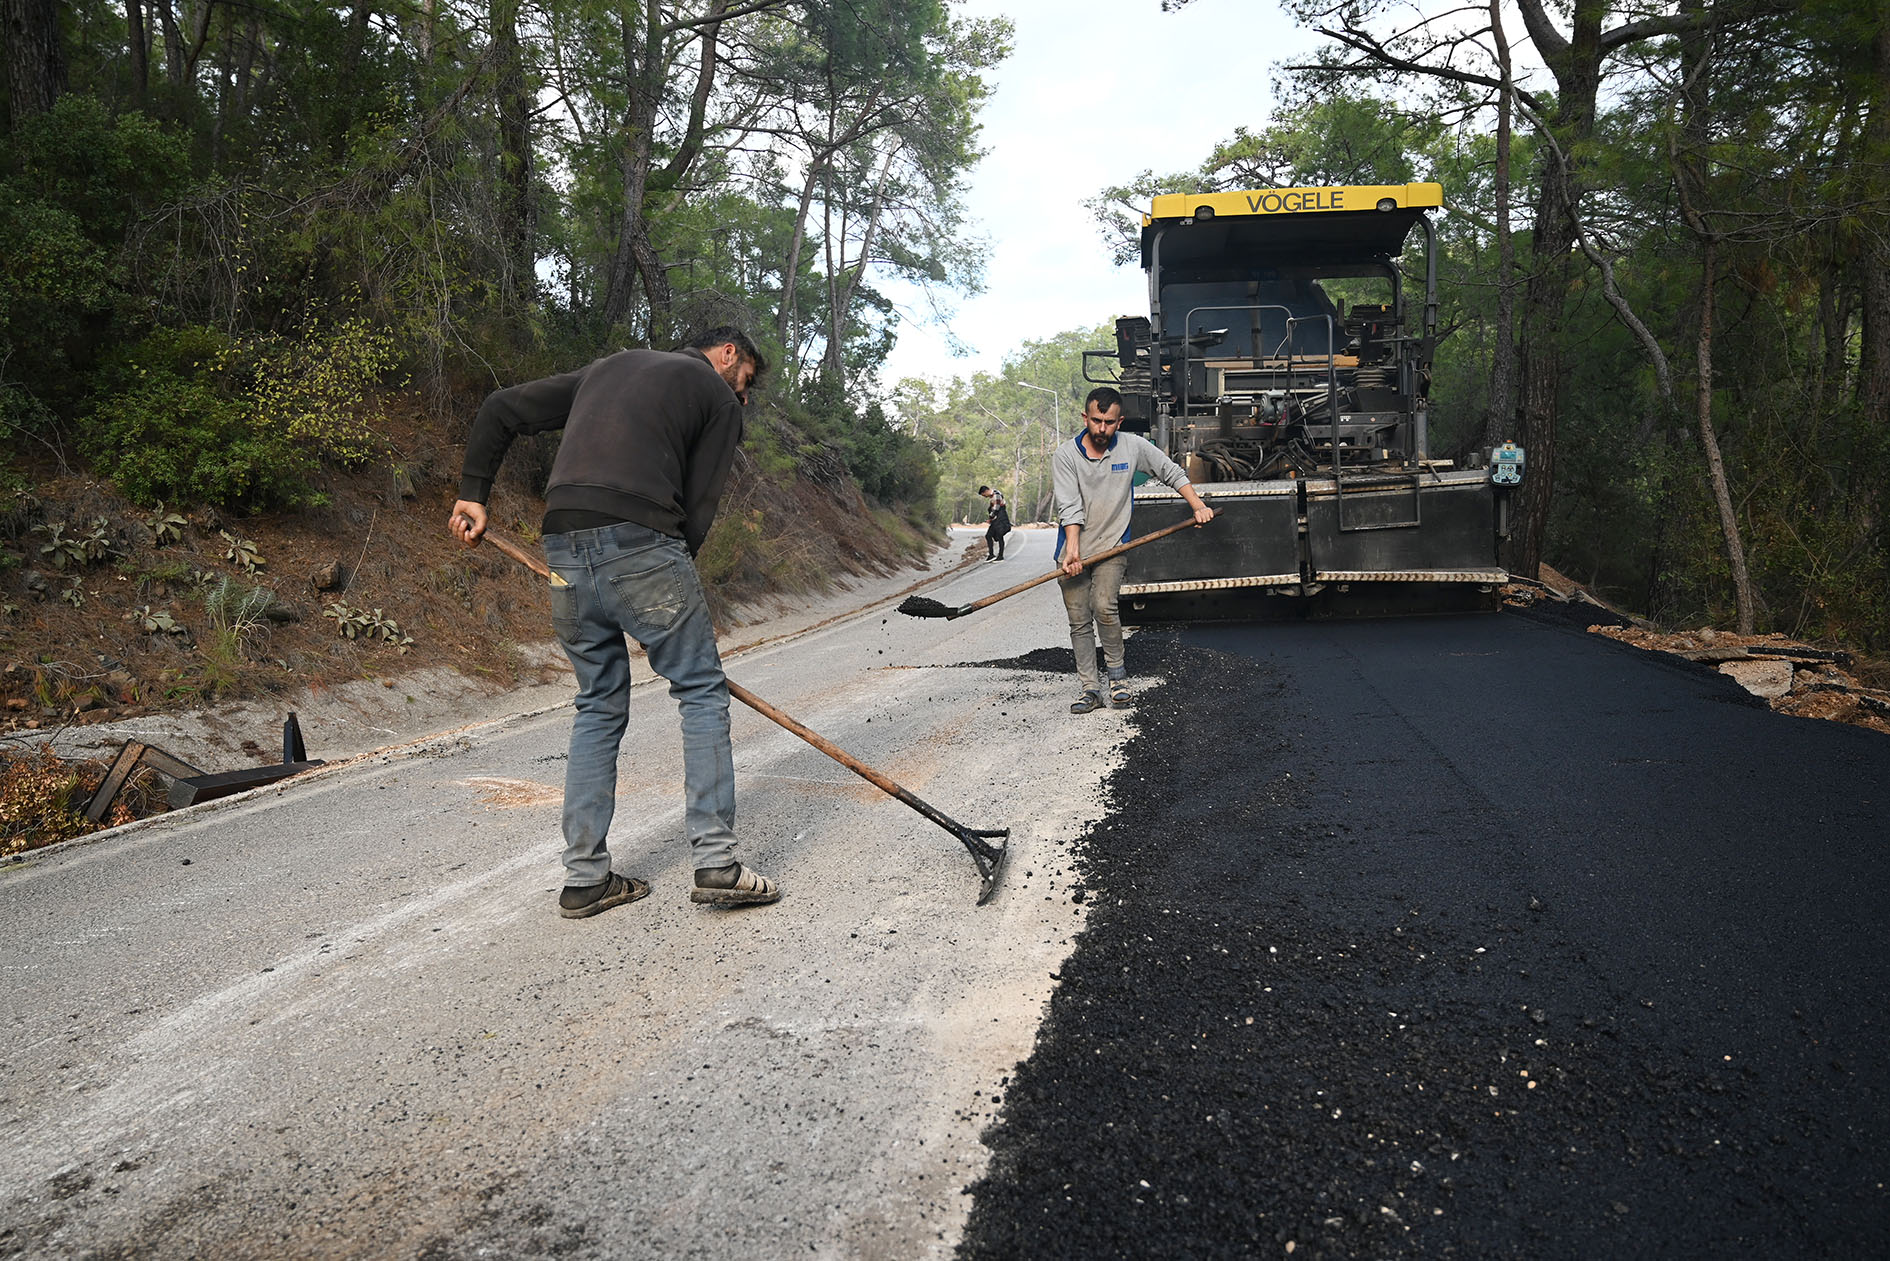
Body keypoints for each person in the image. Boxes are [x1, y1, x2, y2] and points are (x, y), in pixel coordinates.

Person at [449, 327, 783, 918]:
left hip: (563, 546)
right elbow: (698, 506)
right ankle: (716, 863)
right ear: (728, 355)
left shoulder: (608, 367)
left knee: (599, 702)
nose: (745, 397)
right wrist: (667, 589)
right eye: (748, 381)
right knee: (701, 689)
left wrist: (474, 495)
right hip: (644, 544)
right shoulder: (713, 394)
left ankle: (585, 880)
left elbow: (500, 409)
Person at [1052, 386, 1213, 713]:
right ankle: (1089, 688)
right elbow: (1069, 507)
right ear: (1085, 417)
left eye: (1109, 422)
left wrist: (1197, 505)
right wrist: (1072, 551)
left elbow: (1170, 471)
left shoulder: (1132, 447)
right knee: (1079, 620)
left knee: (1104, 607)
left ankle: (1118, 678)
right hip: (1072, 551)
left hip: (1112, 548)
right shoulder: (1065, 456)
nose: (1101, 429)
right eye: (1096, 420)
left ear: (1119, 421)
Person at [978, 484, 1011, 561]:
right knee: (988, 535)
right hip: (995, 519)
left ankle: (1000, 556)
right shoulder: (992, 496)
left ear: (986, 491)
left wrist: (990, 518)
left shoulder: (996, 495)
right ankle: (991, 555)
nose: (984, 497)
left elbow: (996, 509)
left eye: (984, 495)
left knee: (999, 536)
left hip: (1001, 518)